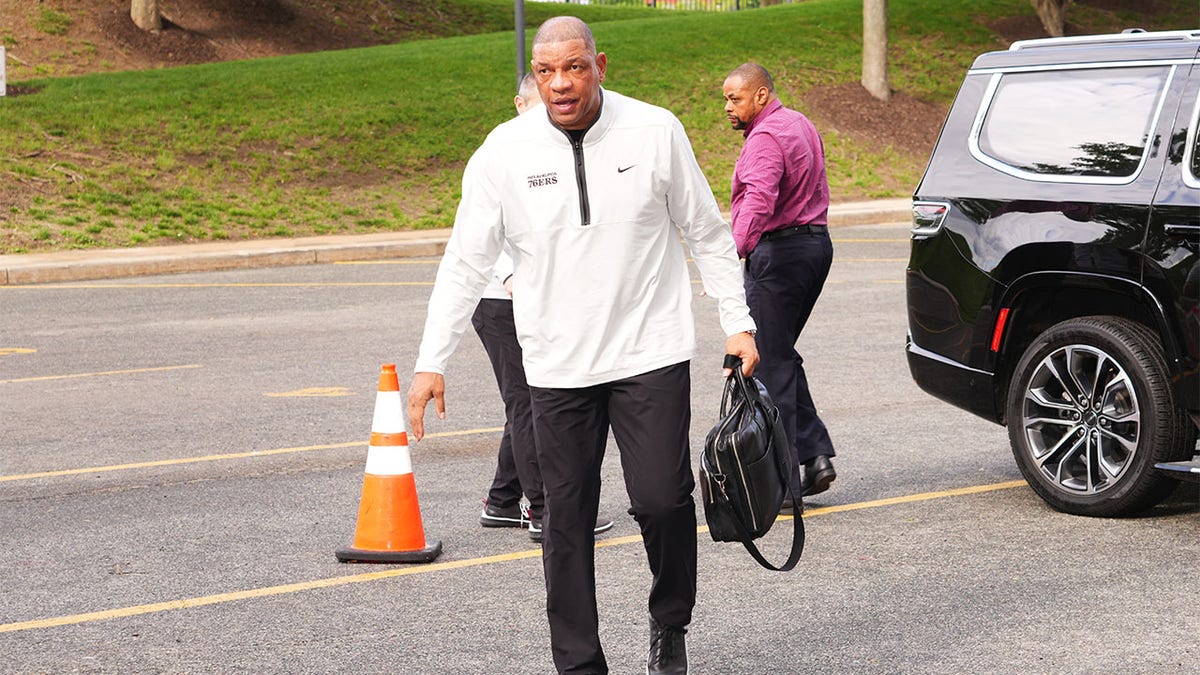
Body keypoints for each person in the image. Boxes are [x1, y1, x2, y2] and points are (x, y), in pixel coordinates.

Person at [408, 16, 759, 675]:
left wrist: (736, 322)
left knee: (662, 499)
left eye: (574, 67)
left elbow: (708, 232)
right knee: (564, 519)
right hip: (556, 362)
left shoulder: (655, 131)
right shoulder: (503, 153)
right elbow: (464, 262)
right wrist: (432, 361)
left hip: (648, 351)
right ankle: (578, 662)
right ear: (534, 77)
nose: (561, 83)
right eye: (546, 72)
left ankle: (669, 619)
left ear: (601, 65)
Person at [475, 72, 614, 542]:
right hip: (500, 299)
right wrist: (514, 278)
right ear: (520, 104)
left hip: (538, 297)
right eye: (540, 105)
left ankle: (501, 499)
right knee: (531, 404)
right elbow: (482, 239)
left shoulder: (559, 151)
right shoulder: (502, 153)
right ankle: (543, 509)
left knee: (532, 401)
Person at [722, 62, 837, 508]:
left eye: (735, 98)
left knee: (769, 363)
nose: (728, 107)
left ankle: (785, 486)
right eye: (726, 99)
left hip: (780, 255)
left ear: (762, 96)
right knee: (781, 354)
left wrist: (734, 254)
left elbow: (759, 198)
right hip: (814, 248)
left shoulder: (766, 138)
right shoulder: (800, 124)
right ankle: (815, 454)